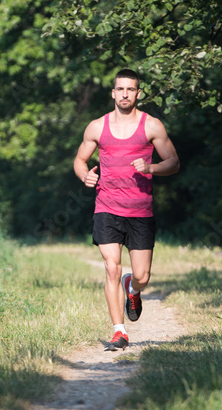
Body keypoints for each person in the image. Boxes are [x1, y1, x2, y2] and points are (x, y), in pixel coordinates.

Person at [73, 69, 180, 350]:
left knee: (143, 275)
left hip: (140, 211)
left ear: (138, 93)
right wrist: (85, 175)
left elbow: (174, 162)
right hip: (107, 207)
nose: (124, 94)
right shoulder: (97, 127)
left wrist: (152, 167)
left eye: (130, 89)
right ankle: (119, 332)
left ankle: (132, 287)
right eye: (120, 89)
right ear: (112, 93)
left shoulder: (152, 126)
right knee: (111, 267)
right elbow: (80, 160)